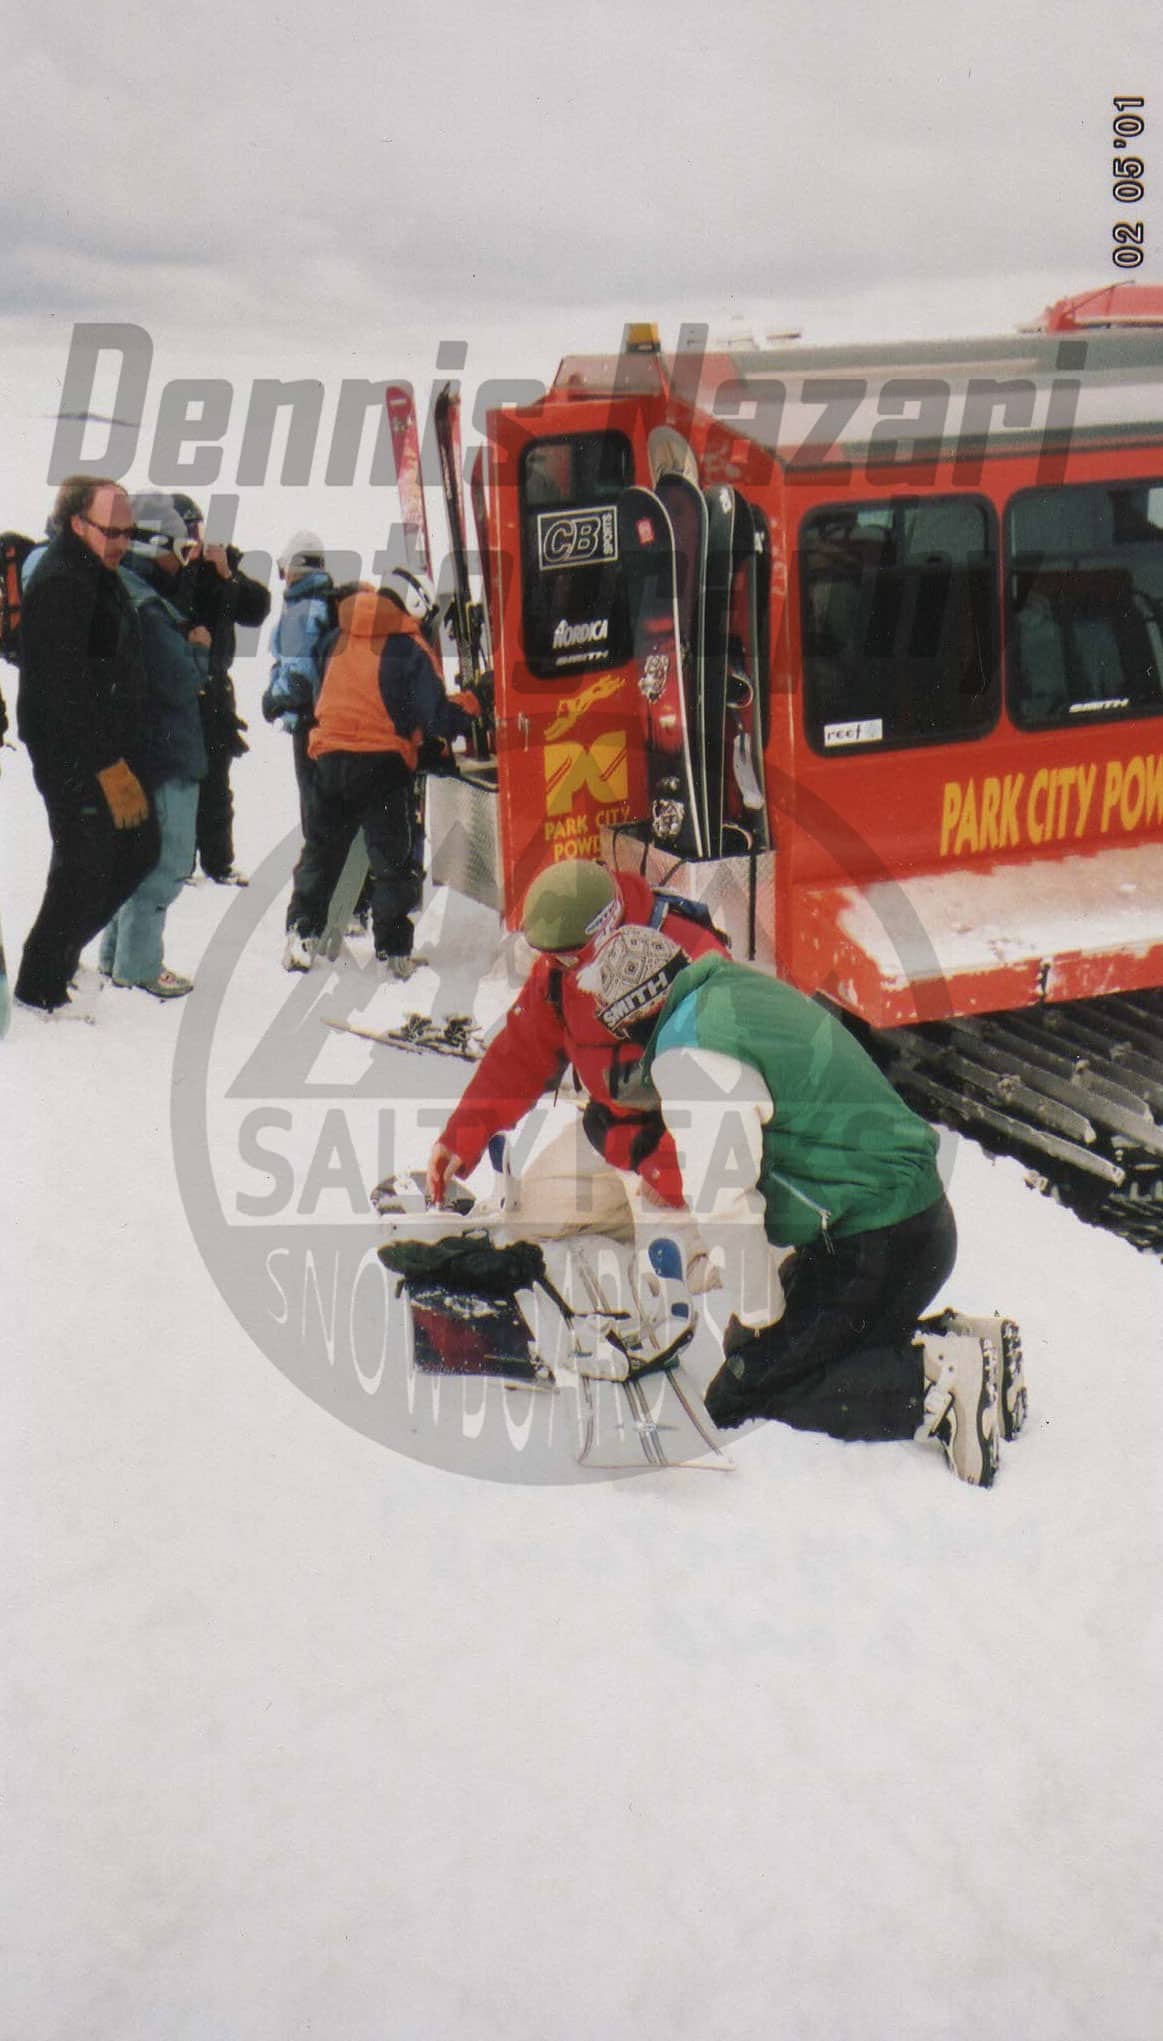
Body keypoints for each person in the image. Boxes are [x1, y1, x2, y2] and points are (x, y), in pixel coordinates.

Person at [629, 937, 1008, 1484]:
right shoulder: (727, 993)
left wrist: (760, 1319)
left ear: (630, 1015)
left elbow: (725, 1198)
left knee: (745, 1392)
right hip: (906, 1225)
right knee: (753, 1349)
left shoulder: (692, 1055)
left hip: (880, 1240)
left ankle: (933, 1381)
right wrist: (751, 1310)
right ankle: (966, 1343)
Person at [425, 858, 730, 1242]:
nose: (557, 965)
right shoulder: (560, 971)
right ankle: (630, 1224)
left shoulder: (688, 954)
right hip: (616, 1137)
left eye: (567, 956)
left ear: (603, 933)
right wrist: (462, 1135)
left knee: (686, 1265)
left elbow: (731, 1082)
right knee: (531, 1220)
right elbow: (519, 1057)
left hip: (687, 1149)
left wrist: (671, 1166)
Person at [283, 566, 480, 976]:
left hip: (328, 759)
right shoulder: (409, 646)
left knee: (322, 851)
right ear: (416, 603)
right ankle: (393, 952)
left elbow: (323, 694)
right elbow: (437, 716)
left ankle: (301, 934)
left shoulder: (336, 637)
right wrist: (476, 701)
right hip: (382, 765)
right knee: (393, 861)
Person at [14, 475, 159, 1016]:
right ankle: (40, 986)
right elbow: (62, 690)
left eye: (128, 533)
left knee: (132, 849)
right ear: (78, 524)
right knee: (87, 862)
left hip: (104, 750)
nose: (122, 542)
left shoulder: (96, 573)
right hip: (73, 754)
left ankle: (52, 965)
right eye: (110, 532)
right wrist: (107, 766)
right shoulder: (62, 581)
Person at [98, 493, 209, 998]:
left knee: (133, 858)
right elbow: (179, 681)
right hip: (166, 752)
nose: (184, 562)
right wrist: (199, 652)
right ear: (154, 544)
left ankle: (117, 957)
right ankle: (139, 965)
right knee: (168, 861)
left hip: (135, 750)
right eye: (180, 551)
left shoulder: (118, 590)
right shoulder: (146, 605)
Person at [171, 493, 271, 884]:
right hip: (177, 684)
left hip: (214, 686)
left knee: (216, 779)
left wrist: (227, 573)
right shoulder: (166, 568)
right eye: (188, 531)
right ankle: (178, 862)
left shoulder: (221, 563)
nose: (194, 538)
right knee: (178, 779)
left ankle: (219, 861)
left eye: (197, 529)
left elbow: (257, 609)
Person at [261, 530, 336, 834]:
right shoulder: (326, 602)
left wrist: (272, 699)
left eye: (284, 570)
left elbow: (300, 679)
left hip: (309, 725)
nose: (284, 578)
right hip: (330, 722)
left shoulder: (301, 611)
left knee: (315, 815)